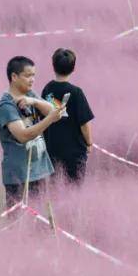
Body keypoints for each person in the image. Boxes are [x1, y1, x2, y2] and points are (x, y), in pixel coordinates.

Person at [0, 56, 62, 206]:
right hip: (19, 176)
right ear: (14, 77)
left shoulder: (30, 94)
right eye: (27, 75)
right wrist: (49, 119)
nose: (32, 79)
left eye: (33, 75)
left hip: (40, 170)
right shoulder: (6, 106)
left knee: (41, 221)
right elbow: (23, 135)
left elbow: (52, 110)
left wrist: (35, 101)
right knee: (19, 222)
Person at [43, 48, 95, 183]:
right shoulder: (76, 93)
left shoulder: (47, 90)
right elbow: (84, 123)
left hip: (52, 150)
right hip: (74, 153)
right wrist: (89, 142)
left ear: (53, 66)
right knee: (74, 190)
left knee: (55, 189)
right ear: (73, 68)